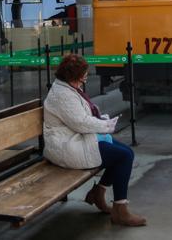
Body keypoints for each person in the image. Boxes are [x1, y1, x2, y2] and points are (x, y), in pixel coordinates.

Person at [43, 54, 146, 227]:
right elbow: (80, 122)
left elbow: (81, 117)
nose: (85, 79)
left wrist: (102, 121)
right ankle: (120, 211)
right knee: (123, 157)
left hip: (74, 139)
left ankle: (99, 192)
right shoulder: (63, 94)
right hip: (67, 147)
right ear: (73, 76)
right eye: (83, 75)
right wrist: (105, 125)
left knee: (126, 152)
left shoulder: (67, 88)